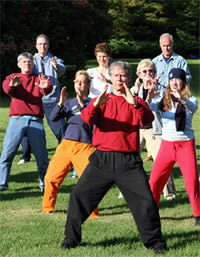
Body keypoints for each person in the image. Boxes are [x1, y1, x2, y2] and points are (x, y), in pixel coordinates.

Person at [61, 61, 168, 254]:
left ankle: (155, 242)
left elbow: (147, 121)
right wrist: (95, 104)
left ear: (129, 78)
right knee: (78, 196)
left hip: (129, 163)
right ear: (110, 78)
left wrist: (134, 103)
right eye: (116, 75)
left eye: (123, 75)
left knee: (146, 202)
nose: (120, 78)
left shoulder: (136, 101)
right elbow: (86, 118)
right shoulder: (103, 99)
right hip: (102, 160)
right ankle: (70, 239)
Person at [42, 70, 98, 218]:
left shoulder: (93, 102)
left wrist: (82, 104)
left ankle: (92, 213)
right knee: (51, 178)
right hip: (66, 145)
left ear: (88, 85)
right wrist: (60, 102)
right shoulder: (68, 103)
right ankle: (47, 209)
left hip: (84, 146)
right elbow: (53, 117)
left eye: (83, 82)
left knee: (89, 181)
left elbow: (91, 119)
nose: (79, 84)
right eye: (77, 81)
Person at [148, 68, 200, 227]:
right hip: (167, 145)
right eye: (171, 80)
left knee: (191, 182)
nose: (174, 83)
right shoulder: (164, 100)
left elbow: (193, 108)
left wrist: (182, 99)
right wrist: (149, 97)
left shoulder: (191, 99)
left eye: (177, 80)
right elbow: (149, 108)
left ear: (183, 82)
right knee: (155, 180)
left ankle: (198, 215)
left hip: (185, 145)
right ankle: (151, 212)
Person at [0, 52, 53, 192]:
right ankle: (2, 184)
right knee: (7, 154)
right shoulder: (13, 77)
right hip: (17, 119)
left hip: (35, 120)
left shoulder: (38, 78)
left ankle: (44, 185)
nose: (27, 64)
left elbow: (47, 89)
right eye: (24, 62)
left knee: (42, 156)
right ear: (19, 64)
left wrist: (45, 87)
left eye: (29, 62)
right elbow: (6, 88)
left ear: (33, 64)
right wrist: (12, 86)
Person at [152, 32, 192, 199]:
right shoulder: (155, 61)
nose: (166, 48)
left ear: (172, 45)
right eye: (163, 46)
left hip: (178, 100)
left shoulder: (180, 60)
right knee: (160, 135)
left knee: (178, 128)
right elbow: (150, 77)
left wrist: (176, 83)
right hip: (161, 100)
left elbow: (188, 77)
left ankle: (172, 191)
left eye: (168, 45)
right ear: (160, 46)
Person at [130, 59, 176, 201]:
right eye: (144, 71)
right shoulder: (132, 90)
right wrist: (138, 92)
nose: (148, 74)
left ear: (155, 73)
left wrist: (153, 93)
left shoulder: (161, 90)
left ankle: (170, 193)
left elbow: (163, 107)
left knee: (162, 161)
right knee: (129, 161)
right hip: (135, 130)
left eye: (151, 71)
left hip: (154, 129)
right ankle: (127, 190)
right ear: (139, 74)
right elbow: (131, 109)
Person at [18, 34, 66, 164]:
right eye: (40, 44)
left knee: (61, 129)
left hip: (52, 101)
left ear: (48, 45)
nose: (42, 47)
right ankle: (25, 156)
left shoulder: (54, 59)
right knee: (27, 127)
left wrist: (56, 66)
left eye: (45, 44)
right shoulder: (31, 59)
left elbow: (62, 70)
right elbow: (25, 72)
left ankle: (66, 154)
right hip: (35, 101)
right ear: (36, 46)